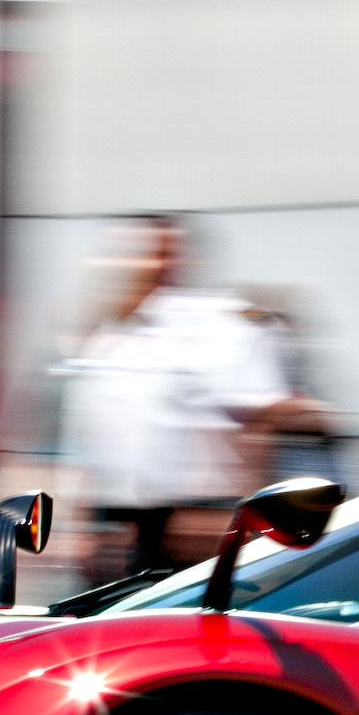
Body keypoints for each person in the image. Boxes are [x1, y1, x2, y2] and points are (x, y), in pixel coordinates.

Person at [61, 218, 332, 581]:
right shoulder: (107, 341)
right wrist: (80, 527)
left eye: (159, 254)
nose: (147, 266)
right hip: (118, 530)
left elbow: (265, 416)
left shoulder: (222, 326)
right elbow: (93, 445)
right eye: (129, 255)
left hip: (196, 526)